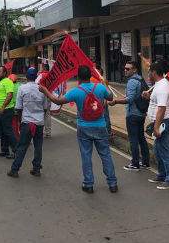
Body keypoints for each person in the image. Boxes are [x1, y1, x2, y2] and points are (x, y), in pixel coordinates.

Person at [40, 65, 118, 194]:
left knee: (86, 155)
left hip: (84, 127)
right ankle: (113, 183)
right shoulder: (99, 87)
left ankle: (88, 184)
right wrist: (105, 84)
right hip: (100, 126)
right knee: (105, 155)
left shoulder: (76, 91)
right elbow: (110, 98)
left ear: (79, 77)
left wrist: (45, 91)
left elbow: (57, 101)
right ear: (90, 76)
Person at [108, 61, 150, 171]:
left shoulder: (132, 81)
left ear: (135, 70)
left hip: (133, 114)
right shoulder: (140, 79)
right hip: (141, 113)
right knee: (141, 137)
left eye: (128, 69)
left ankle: (135, 164)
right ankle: (145, 162)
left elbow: (130, 99)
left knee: (133, 139)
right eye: (124, 68)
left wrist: (115, 101)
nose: (125, 70)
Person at [142, 61, 169, 190]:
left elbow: (161, 108)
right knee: (158, 150)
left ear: (154, 72)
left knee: (165, 151)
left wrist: (156, 127)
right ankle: (162, 174)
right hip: (160, 122)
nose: (148, 73)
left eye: (149, 71)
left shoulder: (162, 86)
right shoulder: (159, 84)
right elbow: (157, 102)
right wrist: (149, 96)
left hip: (164, 122)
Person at [7, 68, 46, 178]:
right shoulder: (42, 89)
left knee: (22, 146)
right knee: (38, 146)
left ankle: (15, 169)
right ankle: (37, 169)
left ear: (26, 76)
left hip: (27, 121)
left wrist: (20, 121)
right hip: (39, 122)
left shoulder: (22, 89)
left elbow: (18, 108)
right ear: (35, 77)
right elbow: (45, 108)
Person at [0, 66, 17, 159]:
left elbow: (10, 95)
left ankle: (16, 151)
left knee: (8, 131)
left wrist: (3, 107)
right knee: (2, 131)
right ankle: (4, 150)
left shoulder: (7, 82)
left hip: (6, 110)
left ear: (4, 73)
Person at [91, 66, 112, 136]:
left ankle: (108, 132)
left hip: (101, 101)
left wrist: (105, 100)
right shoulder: (92, 79)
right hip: (95, 101)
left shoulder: (103, 80)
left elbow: (106, 90)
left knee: (105, 118)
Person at [35, 63, 52, 138]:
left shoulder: (41, 75)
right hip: (49, 95)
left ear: (44, 68)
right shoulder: (51, 75)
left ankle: (40, 132)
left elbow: (35, 83)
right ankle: (48, 132)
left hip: (41, 96)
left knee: (40, 113)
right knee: (48, 114)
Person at [9, 74, 20, 139]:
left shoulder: (8, 87)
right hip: (21, 108)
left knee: (14, 125)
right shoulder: (21, 86)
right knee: (23, 124)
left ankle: (16, 138)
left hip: (12, 108)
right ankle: (26, 139)